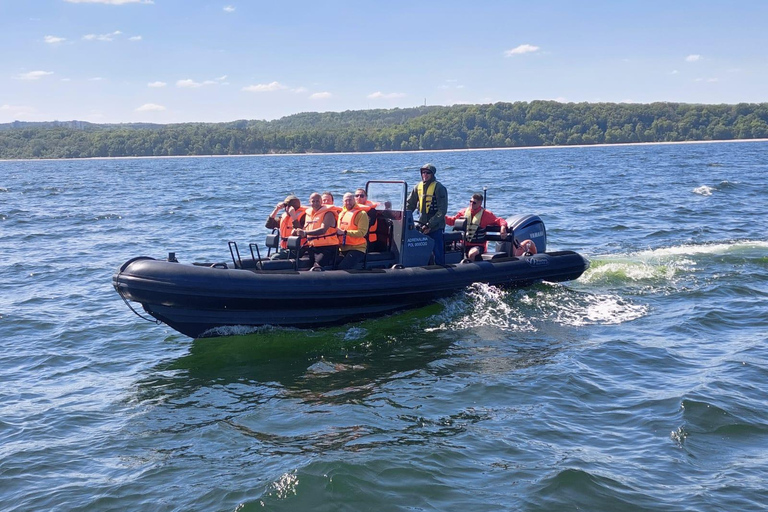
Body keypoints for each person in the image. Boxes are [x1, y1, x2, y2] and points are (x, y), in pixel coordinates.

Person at [445, 193, 509, 261]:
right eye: (470, 201)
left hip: (478, 245)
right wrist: (442, 217)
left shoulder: (486, 215)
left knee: (472, 254)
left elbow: (499, 220)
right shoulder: (463, 212)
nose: (471, 204)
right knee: (447, 248)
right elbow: (452, 221)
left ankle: (471, 269)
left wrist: (503, 227)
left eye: (474, 202)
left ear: (480, 203)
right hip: (464, 243)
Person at [406, 163, 448, 265]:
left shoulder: (439, 188)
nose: (425, 174)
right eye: (423, 172)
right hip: (421, 225)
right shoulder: (417, 187)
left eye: (427, 173)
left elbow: (442, 211)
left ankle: (440, 269)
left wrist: (429, 225)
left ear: (432, 174)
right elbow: (410, 204)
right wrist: (403, 216)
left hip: (436, 226)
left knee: (437, 251)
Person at [293, 192, 339, 270]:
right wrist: (296, 231)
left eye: (317, 201)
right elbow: (305, 229)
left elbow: (323, 230)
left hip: (327, 248)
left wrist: (305, 233)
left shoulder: (328, 213)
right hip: (312, 247)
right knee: (301, 264)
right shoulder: (308, 214)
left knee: (317, 266)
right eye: (313, 201)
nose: (315, 203)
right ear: (309, 202)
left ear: (321, 202)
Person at [265, 194, 306, 259]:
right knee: (270, 256)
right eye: (286, 206)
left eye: (288, 206)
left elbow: (300, 231)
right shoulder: (284, 216)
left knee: (275, 257)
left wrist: (293, 215)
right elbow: (269, 225)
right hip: (284, 248)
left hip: (298, 249)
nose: (287, 208)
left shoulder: (303, 216)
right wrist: (276, 209)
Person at [335, 192, 369, 269]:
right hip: (343, 248)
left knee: (342, 268)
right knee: (332, 264)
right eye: (346, 201)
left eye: (350, 200)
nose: (348, 203)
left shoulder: (361, 214)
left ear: (354, 200)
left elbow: (362, 233)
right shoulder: (341, 214)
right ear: (343, 202)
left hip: (357, 248)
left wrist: (345, 232)